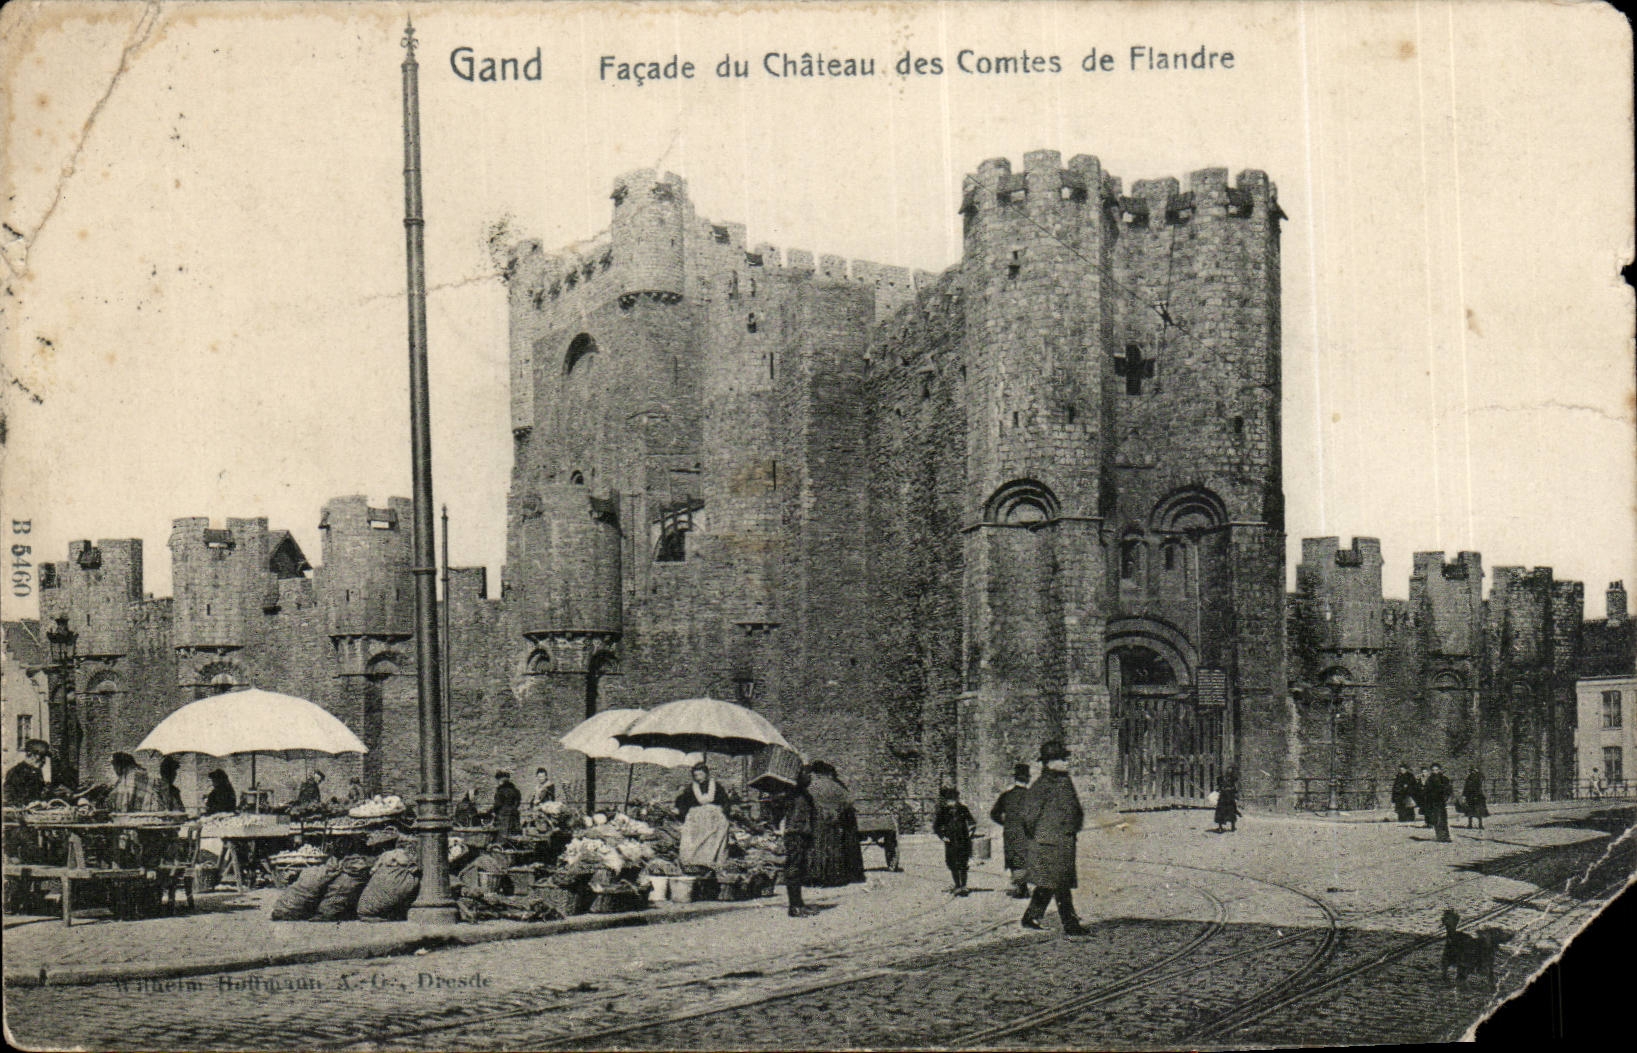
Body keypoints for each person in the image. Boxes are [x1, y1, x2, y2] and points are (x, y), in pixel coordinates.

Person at [1020, 741, 1088, 937]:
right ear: (1049, 763)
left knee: (1052, 883)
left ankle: (1031, 916)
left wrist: (1073, 826)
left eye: (1065, 759)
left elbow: (1074, 809)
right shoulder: (1042, 785)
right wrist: (1042, 835)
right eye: (1061, 759)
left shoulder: (1065, 782)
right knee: (1060, 884)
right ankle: (1070, 925)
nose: (1066, 762)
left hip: (1064, 841)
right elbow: (1028, 815)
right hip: (1049, 843)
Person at [806, 760, 866, 887]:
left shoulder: (811, 787)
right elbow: (849, 801)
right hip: (835, 821)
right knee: (834, 848)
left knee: (818, 848)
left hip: (818, 822)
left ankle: (818, 877)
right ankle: (835, 876)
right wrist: (837, 811)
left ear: (816, 773)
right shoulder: (837, 786)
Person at [675, 762, 735, 869]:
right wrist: (682, 813)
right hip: (697, 817)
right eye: (696, 775)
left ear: (706, 774)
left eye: (700, 775)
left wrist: (724, 811)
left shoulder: (715, 786)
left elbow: (725, 800)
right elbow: (682, 801)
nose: (698, 778)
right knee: (692, 834)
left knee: (719, 828)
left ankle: (712, 859)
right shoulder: (691, 788)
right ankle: (695, 860)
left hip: (714, 816)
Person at [990, 763, 1033, 898]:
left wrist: (1006, 823)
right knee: (1025, 857)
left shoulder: (1006, 796)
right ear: (1027, 779)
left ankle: (1021, 887)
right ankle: (1022, 888)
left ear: (1015, 779)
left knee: (1014, 857)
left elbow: (994, 814)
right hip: (1026, 832)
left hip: (1010, 832)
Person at [780, 767, 820, 918]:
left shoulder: (804, 794)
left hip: (803, 833)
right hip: (795, 834)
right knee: (794, 869)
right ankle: (794, 907)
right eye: (806, 774)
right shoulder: (793, 793)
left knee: (800, 869)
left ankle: (799, 903)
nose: (809, 777)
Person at [933, 785, 977, 896]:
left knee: (963, 863)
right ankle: (957, 885)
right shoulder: (943, 811)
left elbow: (972, 822)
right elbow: (936, 826)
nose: (951, 803)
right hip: (950, 841)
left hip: (963, 840)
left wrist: (971, 832)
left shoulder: (963, 809)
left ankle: (964, 886)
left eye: (953, 800)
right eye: (949, 800)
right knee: (952, 864)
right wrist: (943, 836)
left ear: (957, 799)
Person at [3, 739, 52, 806]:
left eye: (44, 757)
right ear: (30, 755)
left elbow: (39, 794)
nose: (44, 761)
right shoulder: (16, 772)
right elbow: (8, 798)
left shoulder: (37, 771)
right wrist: (28, 803)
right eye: (41, 757)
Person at [1422, 762, 1454, 843]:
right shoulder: (1429, 780)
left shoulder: (1444, 779)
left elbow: (1449, 789)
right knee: (1436, 819)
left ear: (1439, 770)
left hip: (1441, 802)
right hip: (1432, 802)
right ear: (1431, 771)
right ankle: (1439, 836)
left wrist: (1447, 798)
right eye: (1433, 770)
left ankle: (1446, 836)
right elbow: (1426, 791)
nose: (1435, 771)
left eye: (1436, 770)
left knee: (1443, 819)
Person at [491, 770, 522, 838]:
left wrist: (492, 811)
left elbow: (497, 805)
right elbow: (518, 802)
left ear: (500, 780)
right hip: (514, 815)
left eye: (498, 781)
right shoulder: (515, 790)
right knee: (514, 835)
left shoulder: (500, 791)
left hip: (503, 816)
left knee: (502, 835)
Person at [1213, 766, 1241, 833]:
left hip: (1230, 797)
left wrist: (1234, 792)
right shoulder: (1220, 778)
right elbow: (1218, 787)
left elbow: (1236, 788)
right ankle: (1220, 827)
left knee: (1231, 811)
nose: (1229, 771)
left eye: (1230, 770)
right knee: (1220, 811)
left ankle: (1233, 826)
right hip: (1223, 797)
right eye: (1227, 770)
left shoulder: (1233, 779)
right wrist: (1221, 789)